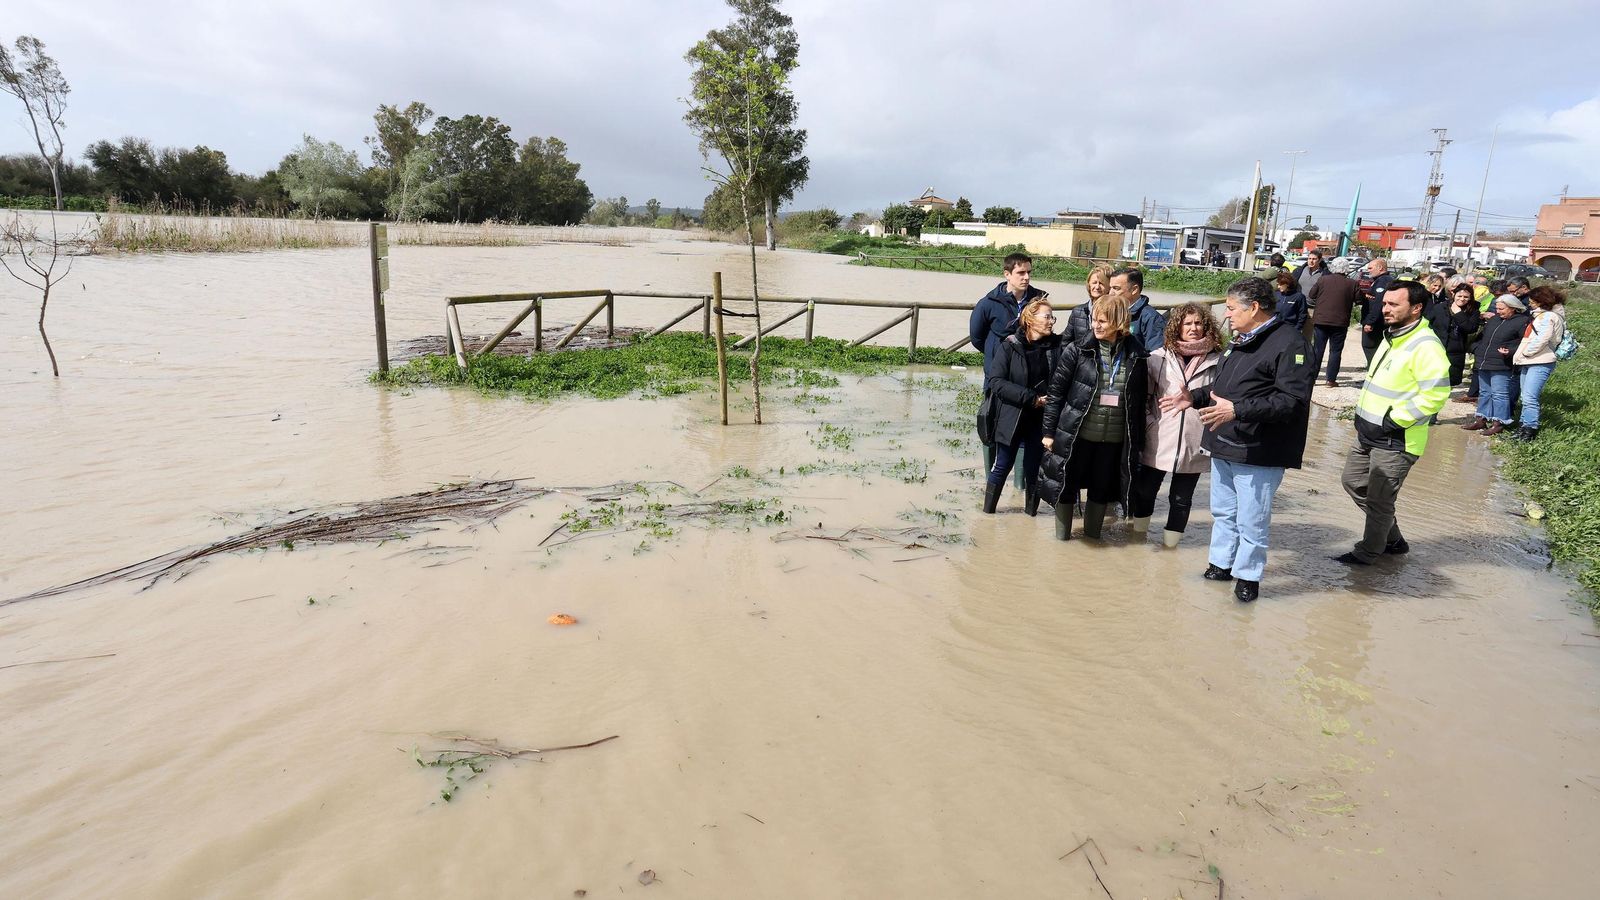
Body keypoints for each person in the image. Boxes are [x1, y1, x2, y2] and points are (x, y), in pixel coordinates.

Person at [1160, 277, 1314, 603]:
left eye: (1231, 308)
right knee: (1223, 512)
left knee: (1252, 521)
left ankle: (1248, 579)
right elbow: (1225, 387)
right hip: (1224, 442)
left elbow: (1292, 402)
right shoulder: (1240, 339)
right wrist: (1194, 397)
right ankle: (1220, 566)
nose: (1226, 314)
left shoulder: (1290, 344)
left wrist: (1238, 411)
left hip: (1259, 450)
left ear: (1254, 308)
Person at [1334, 281, 1451, 566]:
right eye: (1384, 303)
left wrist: (1394, 420)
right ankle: (1393, 539)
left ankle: (1368, 554)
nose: (1385, 309)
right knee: (1353, 482)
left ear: (1416, 308)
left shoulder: (1426, 346)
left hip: (1396, 439)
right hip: (1368, 432)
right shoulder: (1393, 335)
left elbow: (1435, 395)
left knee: (1379, 500)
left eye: (1393, 304)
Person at [1038, 295, 1149, 541]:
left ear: (1118, 322)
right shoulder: (1077, 350)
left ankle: (1093, 537)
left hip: (1113, 440)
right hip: (1077, 436)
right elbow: (1056, 394)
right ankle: (1062, 542)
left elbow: (1139, 405)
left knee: (1101, 490)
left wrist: (1139, 444)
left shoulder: (1137, 356)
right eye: (1094, 320)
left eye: (1102, 321)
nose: (1095, 325)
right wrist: (1048, 433)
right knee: (1066, 487)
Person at [1130, 302, 1222, 548]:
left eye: (1198, 323)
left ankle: (1170, 549)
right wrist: (1150, 424)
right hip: (1159, 436)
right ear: (1176, 327)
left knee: (1181, 499)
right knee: (1145, 491)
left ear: (1206, 326)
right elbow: (1144, 398)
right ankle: (1137, 540)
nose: (1193, 328)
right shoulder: (1158, 358)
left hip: (1195, 440)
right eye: (1187, 323)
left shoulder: (1218, 360)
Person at [981, 299, 1063, 514]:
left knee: (1033, 468)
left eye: (1052, 317)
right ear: (1030, 319)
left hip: (1042, 418)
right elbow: (996, 382)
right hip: (1012, 416)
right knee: (1002, 465)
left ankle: (1031, 516)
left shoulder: (1057, 346)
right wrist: (1031, 398)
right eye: (1047, 317)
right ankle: (987, 514)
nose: (1051, 322)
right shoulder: (1009, 345)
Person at [1463, 295, 1531, 436]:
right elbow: (1481, 337)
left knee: (1499, 394)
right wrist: (1476, 348)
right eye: (1497, 308)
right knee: (1484, 392)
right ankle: (1481, 419)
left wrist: (1510, 351)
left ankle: (1498, 423)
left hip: (1502, 363)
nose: (1498, 311)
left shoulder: (1522, 322)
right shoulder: (1494, 319)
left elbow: (1524, 343)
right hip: (1484, 360)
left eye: (1501, 309)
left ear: (1512, 308)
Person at [1511, 285, 1568, 441]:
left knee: (1530, 397)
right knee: (1525, 397)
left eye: (1532, 301)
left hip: (1540, 361)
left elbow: (1542, 339)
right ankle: (1522, 427)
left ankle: (1530, 430)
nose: (1530, 303)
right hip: (1530, 360)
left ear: (1541, 301)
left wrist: (1526, 352)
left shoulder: (1548, 317)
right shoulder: (1542, 315)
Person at [969, 252, 1048, 361]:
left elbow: (1045, 332)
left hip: (1030, 364)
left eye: (1029, 272)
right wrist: (995, 352)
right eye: (1021, 273)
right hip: (996, 365)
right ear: (1007, 274)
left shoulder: (1039, 301)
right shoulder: (988, 303)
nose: (1026, 277)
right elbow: (976, 338)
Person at [1308, 258, 1363, 387]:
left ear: (1332, 267)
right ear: (1346, 269)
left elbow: (1311, 294)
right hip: (1340, 322)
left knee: (1318, 350)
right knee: (1336, 351)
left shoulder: (1323, 280)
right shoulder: (1352, 283)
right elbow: (1359, 300)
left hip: (1321, 320)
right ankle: (1331, 380)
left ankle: (1312, 378)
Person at [1107, 267, 1168, 353]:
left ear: (1134, 289)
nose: (1110, 293)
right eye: (1110, 288)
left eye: (1116, 288)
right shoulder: (1109, 312)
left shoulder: (1152, 318)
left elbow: (1156, 355)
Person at [1441, 282, 1482, 386]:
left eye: (1466, 297)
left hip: (1457, 350)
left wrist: (1459, 314)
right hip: (1439, 348)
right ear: (1453, 294)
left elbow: (1470, 328)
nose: (1462, 299)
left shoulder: (1473, 311)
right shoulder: (1441, 307)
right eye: (1459, 296)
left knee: (1450, 382)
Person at [1064, 263, 1113, 346]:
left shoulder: (1115, 312)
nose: (1097, 287)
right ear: (1089, 285)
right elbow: (1066, 342)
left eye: (1101, 283)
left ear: (1110, 286)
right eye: (1094, 283)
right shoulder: (1077, 312)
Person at [1358, 258, 1395, 364]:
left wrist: (1370, 322)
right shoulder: (1381, 280)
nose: (1368, 270)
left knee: (1370, 347)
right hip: (1380, 321)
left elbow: (1379, 303)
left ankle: (1374, 370)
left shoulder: (1382, 281)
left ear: (1380, 268)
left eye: (1370, 268)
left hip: (1377, 323)